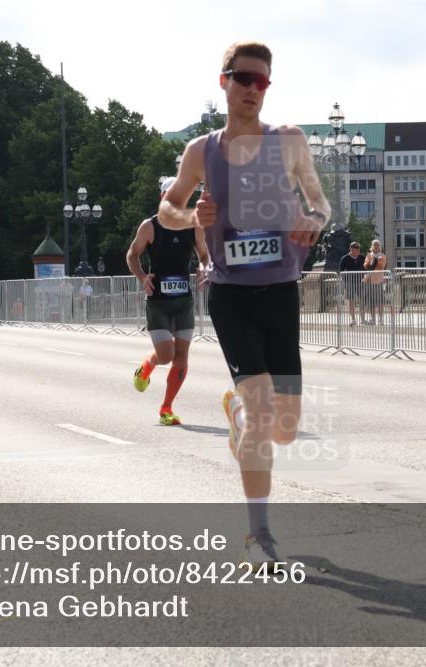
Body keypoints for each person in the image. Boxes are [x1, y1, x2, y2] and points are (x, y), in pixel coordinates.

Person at [158, 41, 330, 567]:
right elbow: (167, 208)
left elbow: (319, 201)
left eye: (262, 82)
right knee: (262, 417)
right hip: (231, 294)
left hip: (280, 292)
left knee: (285, 427)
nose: (253, 90)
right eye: (243, 79)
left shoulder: (291, 142)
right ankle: (259, 534)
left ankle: (235, 411)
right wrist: (192, 220)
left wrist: (314, 219)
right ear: (224, 81)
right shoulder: (201, 151)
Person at [127, 177, 210, 426]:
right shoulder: (149, 226)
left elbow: (204, 255)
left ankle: (166, 408)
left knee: (182, 356)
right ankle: (147, 366)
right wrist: (142, 277)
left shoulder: (193, 225)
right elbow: (132, 254)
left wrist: (204, 268)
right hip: (159, 302)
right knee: (166, 355)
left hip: (183, 301)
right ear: (162, 197)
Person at [362, 239, 387, 325]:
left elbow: (380, 267)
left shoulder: (383, 256)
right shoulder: (369, 255)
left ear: (380, 247)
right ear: (372, 246)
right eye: (375, 245)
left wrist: (370, 271)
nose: (376, 247)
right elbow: (365, 266)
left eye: (377, 245)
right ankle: (373, 319)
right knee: (371, 302)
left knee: (380, 301)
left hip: (378, 280)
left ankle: (380, 319)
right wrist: (371, 261)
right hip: (369, 282)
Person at [338, 241, 364, 326]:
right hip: (350, 282)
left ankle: (363, 319)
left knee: (362, 300)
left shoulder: (362, 257)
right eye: (356, 250)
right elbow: (341, 271)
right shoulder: (345, 258)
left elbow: (366, 268)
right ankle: (353, 319)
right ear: (351, 249)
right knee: (351, 301)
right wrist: (346, 281)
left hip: (361, 282)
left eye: (358, 250)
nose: (357, 252)